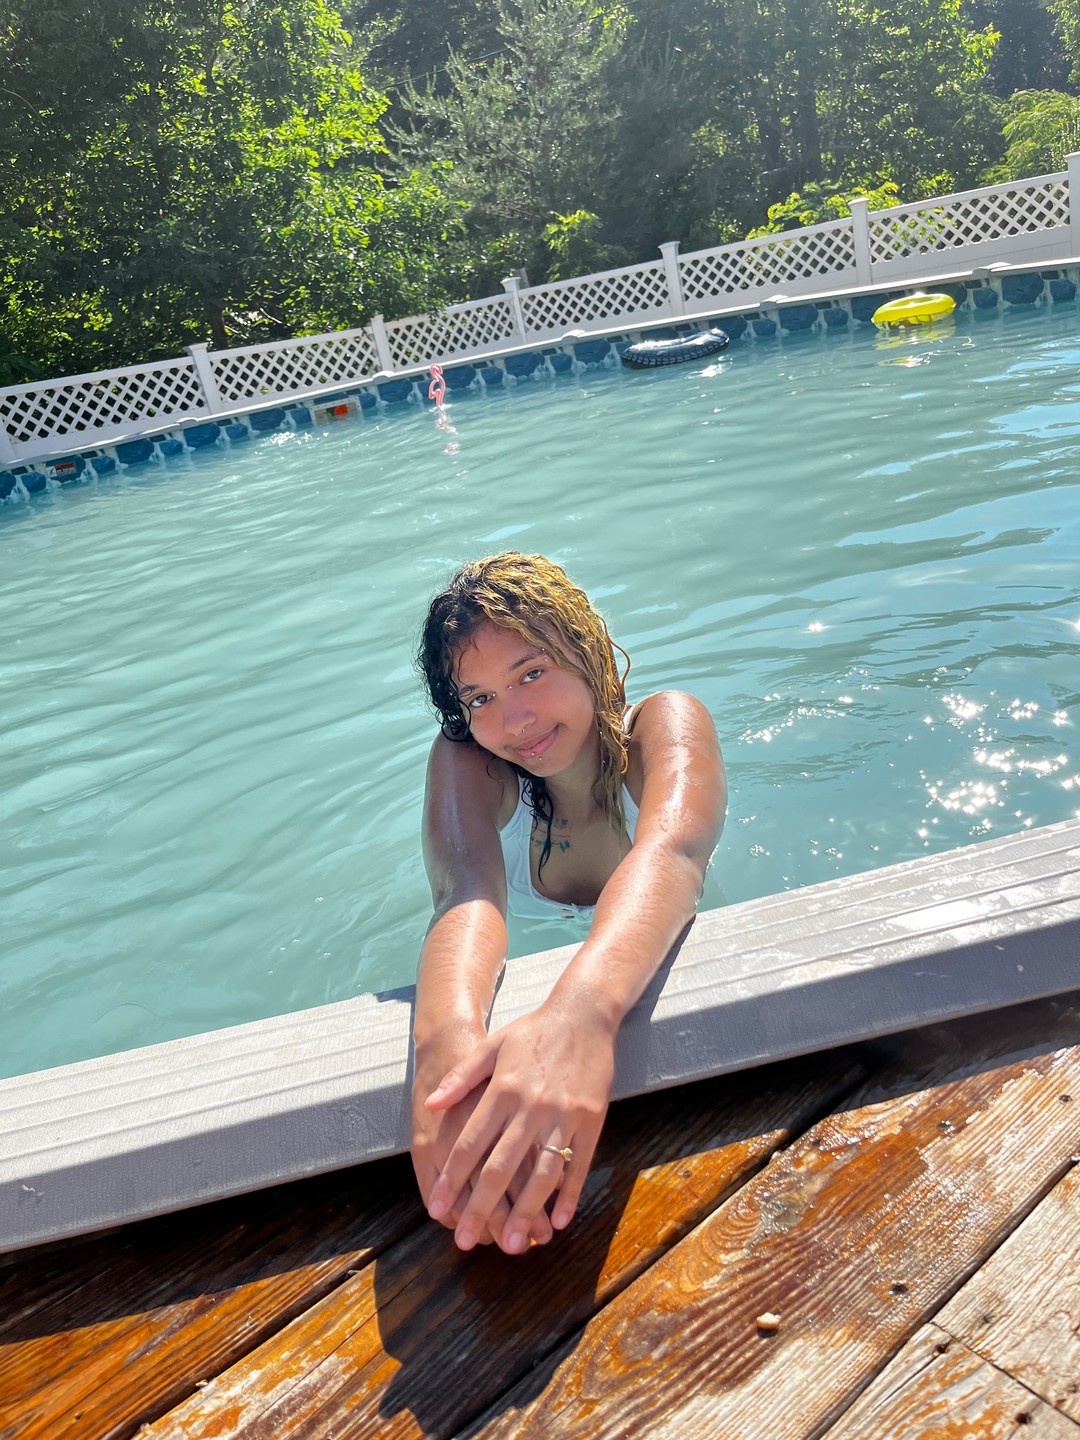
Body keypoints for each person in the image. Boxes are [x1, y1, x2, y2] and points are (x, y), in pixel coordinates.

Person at [412, 552, 726, 1256]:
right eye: (479, 698)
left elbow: (671, 856)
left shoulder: (664, 726)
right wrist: (446, 1049)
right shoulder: (473, 764)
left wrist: (577, 1016)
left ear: (590, 653)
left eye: (531, 673)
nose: (514, 719)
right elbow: (464, 894)